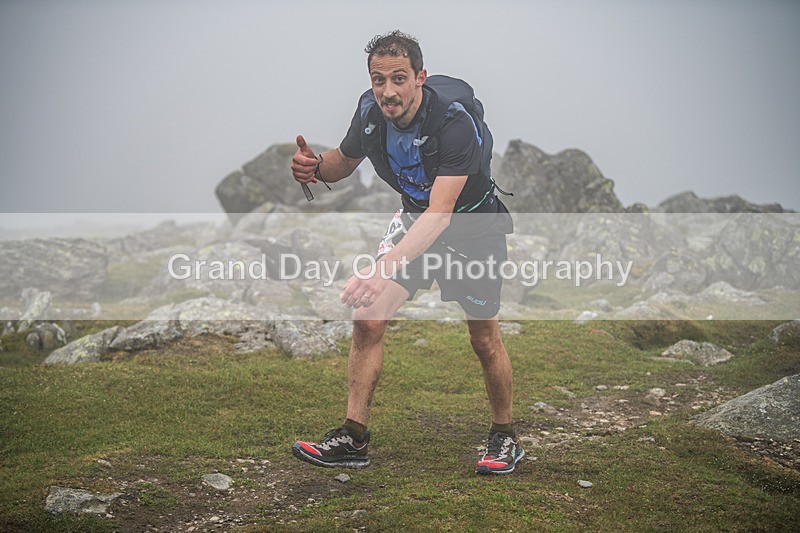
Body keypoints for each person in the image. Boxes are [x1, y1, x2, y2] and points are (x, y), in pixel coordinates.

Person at [289, 30, 523, 475]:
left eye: (399, 78)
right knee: (368, 318)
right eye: (379, 80)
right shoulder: (370, 112)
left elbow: (442, 214)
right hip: (415, 221)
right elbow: (345, 157)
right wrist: (316, 167)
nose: (387, 91)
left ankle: (504, 435)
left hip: (471, 230)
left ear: (420, 78)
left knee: (484, 339)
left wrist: (382, 267)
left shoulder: (453, 123)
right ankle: (353, 436)